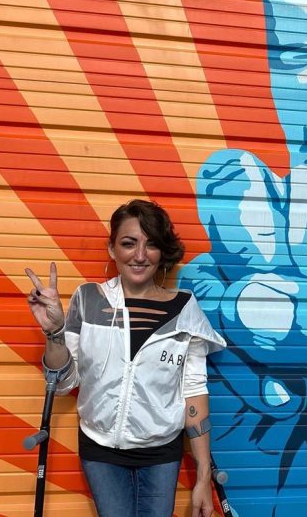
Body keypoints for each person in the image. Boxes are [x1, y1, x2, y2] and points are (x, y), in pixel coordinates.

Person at [25, 199, 226, 517]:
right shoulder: (88, 299)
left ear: (162, 251)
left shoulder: (184, 310)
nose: (140, 255)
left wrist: (203, 477)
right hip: (100, 448)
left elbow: (194, 392)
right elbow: (63, 384)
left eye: (151, 244)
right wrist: (54, 333)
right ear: (112, 248)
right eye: (129, 243)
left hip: (161, 451)